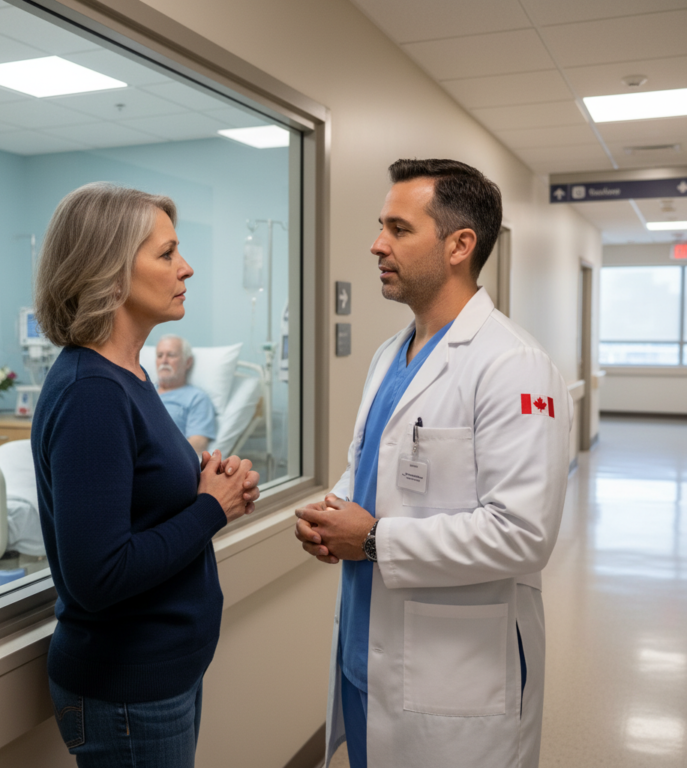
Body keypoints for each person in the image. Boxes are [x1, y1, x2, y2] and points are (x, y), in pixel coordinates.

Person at [295, 159, 571, 768]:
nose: (377, 244)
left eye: (398, 228)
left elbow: (522, 534)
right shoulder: (390, 353)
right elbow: (368, 465)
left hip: (454, 677)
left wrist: (369, 540)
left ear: (459, 245)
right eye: (381, 226)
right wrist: (331, 509)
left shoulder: (514, 365)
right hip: (368, 656)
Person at [31, 182, 260, 768]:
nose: (186, 268)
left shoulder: (129, 375)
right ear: (109, 271)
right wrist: (213, 508)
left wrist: (209, 480)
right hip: (127, 689)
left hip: (161, 672)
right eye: (166, 254)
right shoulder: (92, 393)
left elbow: (139, 497)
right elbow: (98, 577)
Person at [156, 335, 217, 455]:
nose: (164, 361)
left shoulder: (196, 398)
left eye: (171, 355)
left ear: (188, 362)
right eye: (159, 356)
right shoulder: (141, 389)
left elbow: (197, 444)